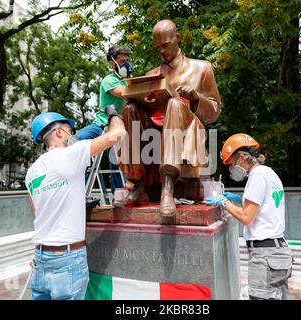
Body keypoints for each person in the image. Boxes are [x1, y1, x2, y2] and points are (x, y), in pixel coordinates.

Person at [119, 19, 221, 217]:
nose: (162, 51)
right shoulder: (153, 75)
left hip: (188, 132)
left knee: (175, 103)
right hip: (154, 135)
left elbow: (214, 113)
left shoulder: (202, 68)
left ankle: (168, 186)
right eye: (157, 48)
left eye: (165, 45)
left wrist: (195, 98)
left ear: (177, 38)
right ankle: (138, 184)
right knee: (131, 108)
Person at [25, 107, 126, 300]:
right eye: (68, 130)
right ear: (59, 132)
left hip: (40, 257)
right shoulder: (72, 153)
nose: (72, 134)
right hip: (67, 260)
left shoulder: (32, 172)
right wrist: (113, 115)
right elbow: (118, 134)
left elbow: (38, 214)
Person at [206, 133, 293, 300]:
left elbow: (247, 217)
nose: (231, 169)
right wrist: (239, 199)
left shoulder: (257, 176)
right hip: (278, 252)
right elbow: (265, 205)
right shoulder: (269, 173)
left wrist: (224, 202)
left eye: (231, 163)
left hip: (266, 255)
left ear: (243, 157)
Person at [76, 44, 132, 193]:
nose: (125, 64)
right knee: (76, 141)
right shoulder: (109, 80)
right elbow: (122, 93)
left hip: (119, 127)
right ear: (112, 63)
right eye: (121, 61)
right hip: (102, 124)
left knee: (116, 162)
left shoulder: (127, 82)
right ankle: (78, 191)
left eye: (126, 61)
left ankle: (118, 195)